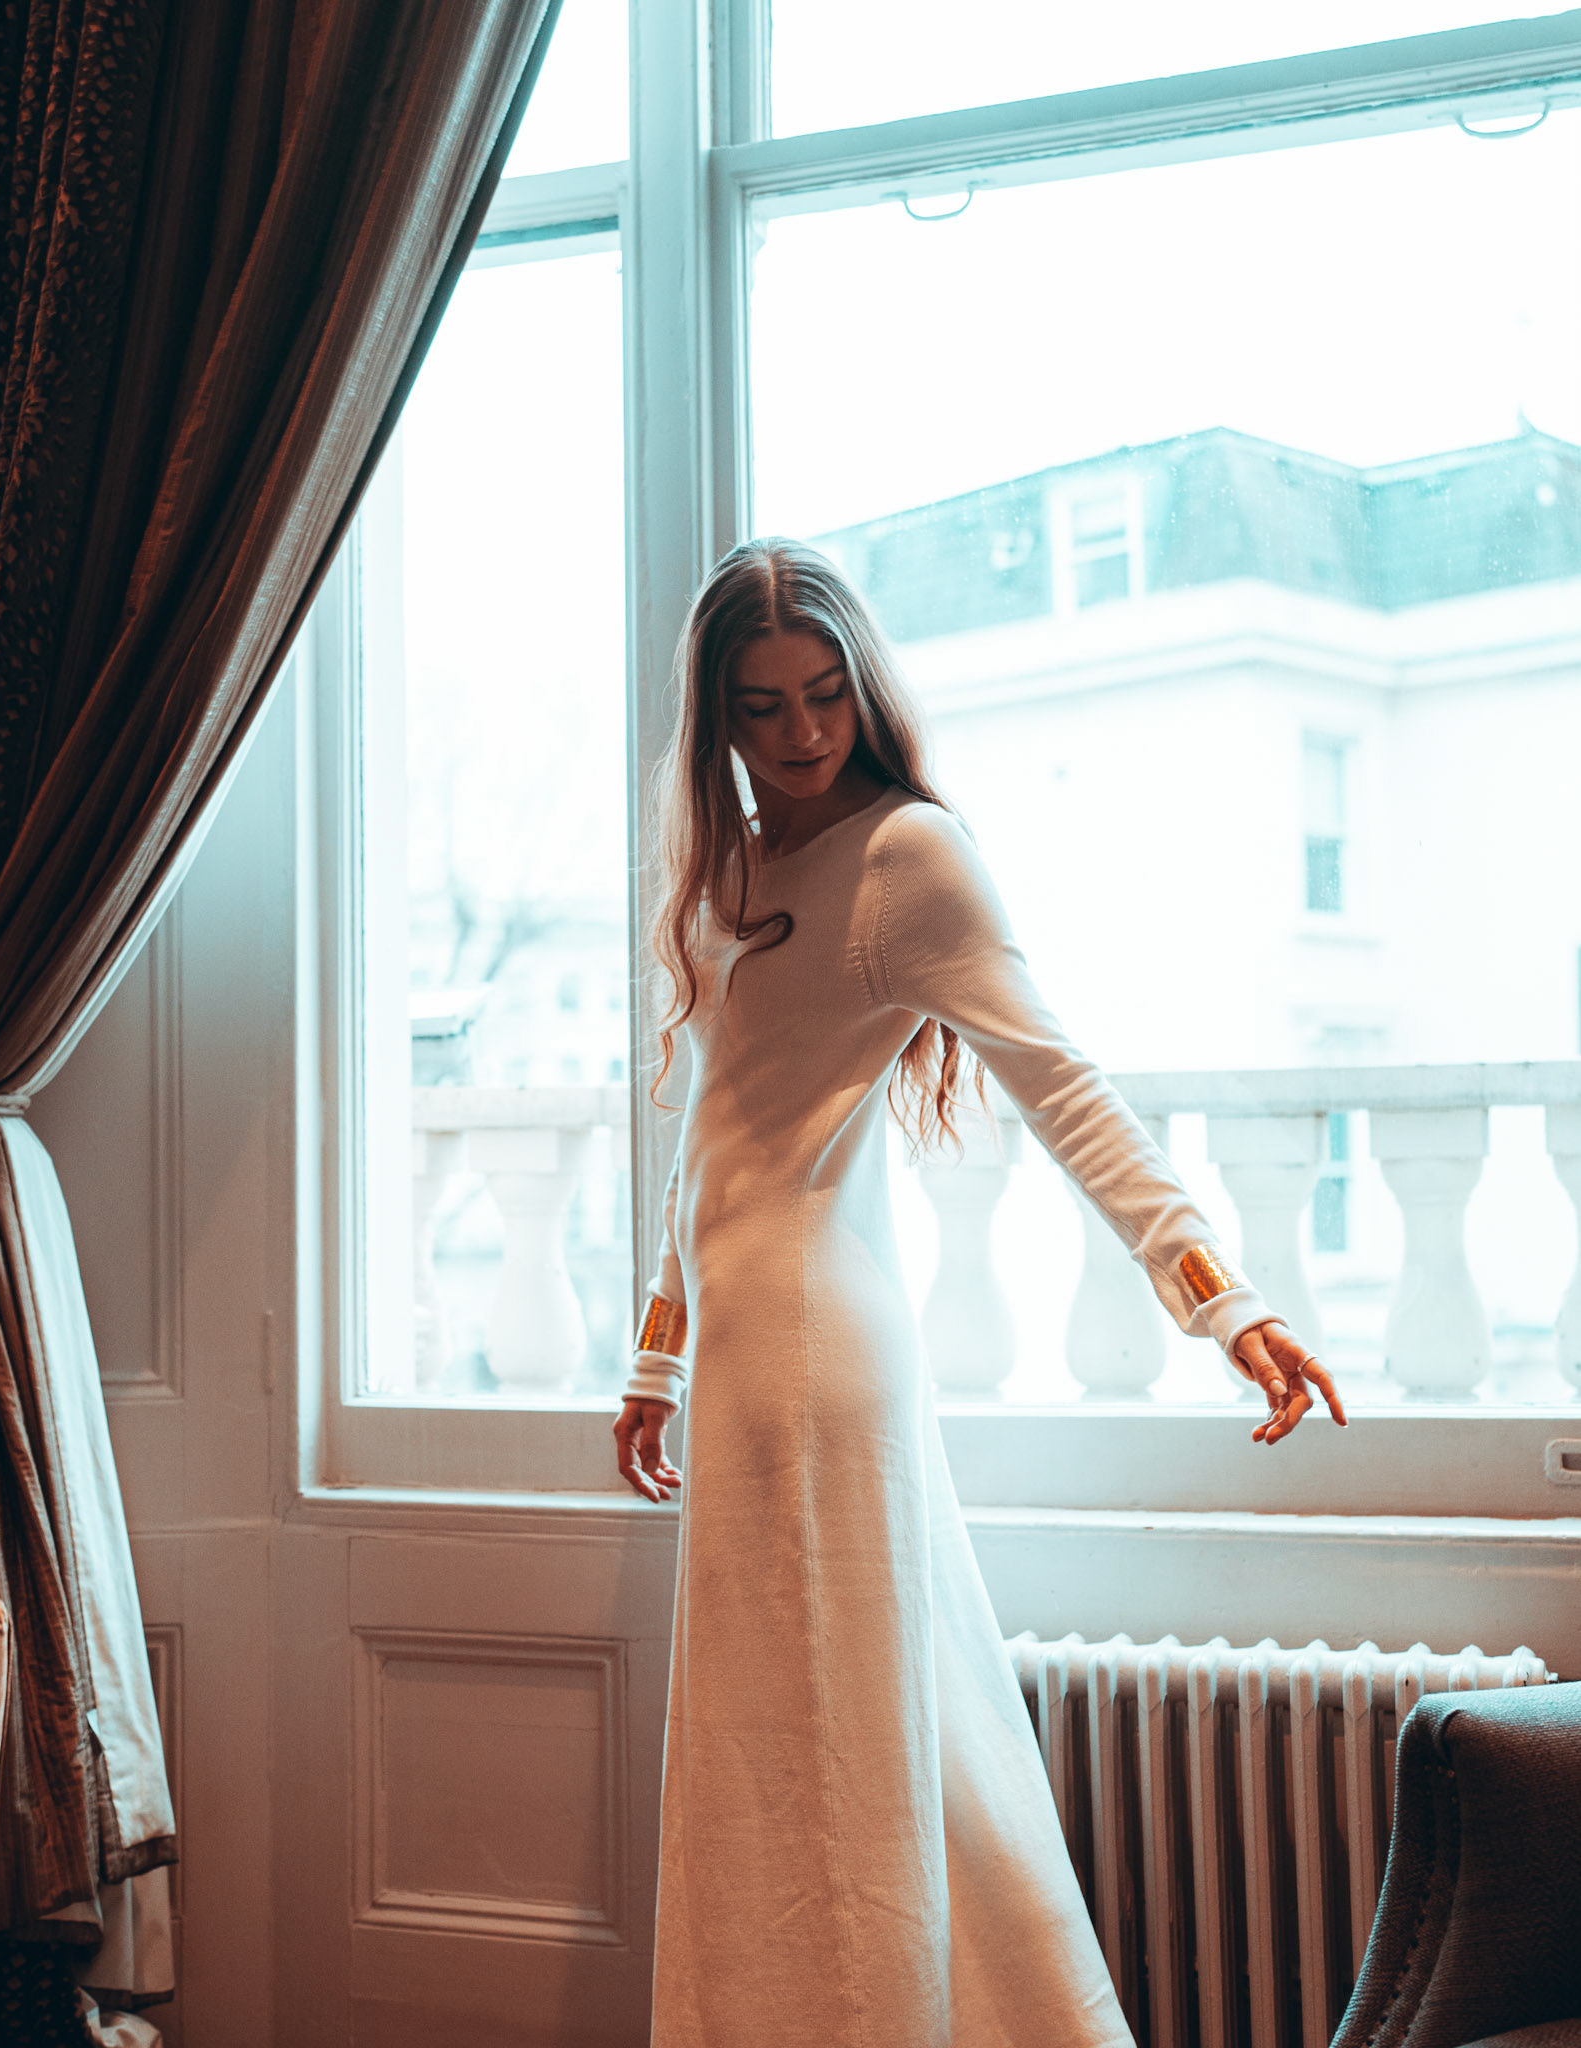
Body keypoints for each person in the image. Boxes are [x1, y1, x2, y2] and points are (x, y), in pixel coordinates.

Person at [612, 539, 1346, 2048]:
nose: (803, 733)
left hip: (815, 1351)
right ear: (715, 721)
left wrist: (1223, 1301)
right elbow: (714, 1135)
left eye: (826, 694)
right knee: (821, 1744)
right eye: (762, 706)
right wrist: (656, 1358)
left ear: (864, 687)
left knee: (826, 1747)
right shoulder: (730, 868)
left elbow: (1060, 1084)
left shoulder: (907, 856)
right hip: (744, 1353)